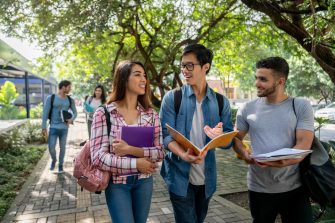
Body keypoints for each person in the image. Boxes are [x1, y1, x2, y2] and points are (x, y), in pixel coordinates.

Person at [233, 57, 314, 223]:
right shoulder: (247, 108)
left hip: (295, 188)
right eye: (256, 77)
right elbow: (236, 139)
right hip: (259, 188)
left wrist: (279, 162)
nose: (257, 83)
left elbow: (303, 145)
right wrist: (244, 154)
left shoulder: (300, 106)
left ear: (280, 81)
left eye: (263, 79)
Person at [159, 43, 233, 223]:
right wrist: (182, 154)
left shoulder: (221, 102)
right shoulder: (172, 98)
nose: (185, 70)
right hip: (178, 176)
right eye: (183, 65)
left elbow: (229, 140)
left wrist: (220, 137)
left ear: (205, 67)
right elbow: (164, 135)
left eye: (190, 65)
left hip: (207, 179)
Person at [90, 60, 165, 223]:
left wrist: (130, 149)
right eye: (137, 75)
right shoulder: (104, 113)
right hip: (117, 184)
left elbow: (160, 152)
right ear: (123, 79)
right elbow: (98, 157)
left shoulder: (151, 115)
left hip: (144, 182)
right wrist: (136, 164)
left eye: (145, 75)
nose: (144, 79)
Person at [42, 80, 77, 173]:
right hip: (53, 127)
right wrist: (43, 127)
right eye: (69, 87)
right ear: (63, 87)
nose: (70, 89)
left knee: (63, 147)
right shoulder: (51, 98)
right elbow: (45, 113)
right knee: (51, 147)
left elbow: (75, 112)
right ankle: (54, 160)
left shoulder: (70, 100)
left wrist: (71, 119)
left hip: (64, 128)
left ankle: (60, 165)